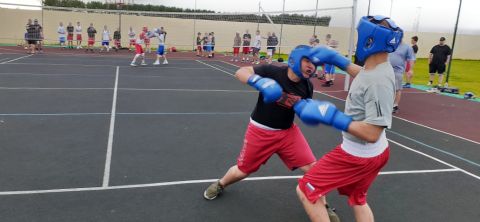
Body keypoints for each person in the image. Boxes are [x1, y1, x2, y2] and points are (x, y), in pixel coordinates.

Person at [203, 44, 340, 221]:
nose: (312, 66)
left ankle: (323, 205)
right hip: (260, 131)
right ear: (295, 59)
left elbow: (300, 110)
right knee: (243, 170)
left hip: (287, 133)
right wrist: (259, 81)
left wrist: (309, 112)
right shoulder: (273, 72)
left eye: (314, 63)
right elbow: (241, 72)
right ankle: (221, 184)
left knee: (314, 169)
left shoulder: (307, 86)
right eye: (307, 61)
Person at [294, 15, 401, 222]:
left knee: (306, 190)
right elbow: (364, 75)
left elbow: (372, 132)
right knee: (358, 198)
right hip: (377, 152)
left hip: (357, 156)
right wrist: (338, 60)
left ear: (369, 40)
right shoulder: (379, 67)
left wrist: (332, 117)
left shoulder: (378, 81)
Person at [389, 41, 415, 113]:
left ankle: (395, 105)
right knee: (387, 87)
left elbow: (412, 58)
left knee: (397, 88)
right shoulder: (390, 44)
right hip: (387, 69)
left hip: (398, 70)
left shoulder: (407, 47)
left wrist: (410, 69)